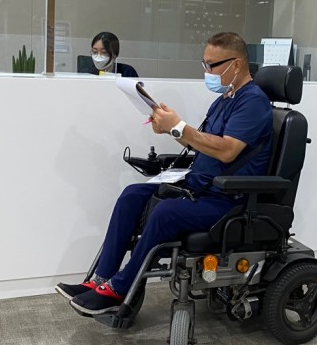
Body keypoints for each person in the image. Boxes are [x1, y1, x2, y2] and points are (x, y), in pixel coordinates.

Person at [56, 32, 273, 315]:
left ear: (237, 64)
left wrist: (179, 127)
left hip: (227, 198)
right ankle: (101, 279)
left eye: (212, 65)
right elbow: (202, 143)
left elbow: (227, 151)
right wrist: (172, 130)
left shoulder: (253, 102)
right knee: (132, 195)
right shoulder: (224, 100)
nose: (207, 71)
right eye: (204, 64)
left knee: (165, 212)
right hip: (199, 185)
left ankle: (119, 289)